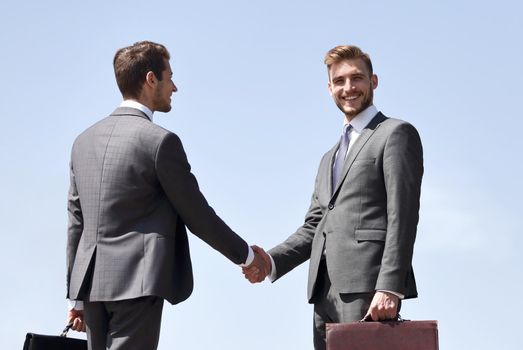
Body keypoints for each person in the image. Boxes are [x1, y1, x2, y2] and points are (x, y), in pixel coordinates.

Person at [66, 40, 267, 350]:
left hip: (91, 284)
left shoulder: (82, 142)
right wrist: (248, 256)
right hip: (138, 281)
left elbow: (76, 224)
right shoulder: (160, 142)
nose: (175, 87)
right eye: (169, 77)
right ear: (151, 80)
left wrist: (75, 295)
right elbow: (197, 215)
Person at [243, 45, 423, 350]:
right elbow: (315, 226)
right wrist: (270, 261)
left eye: (357, 78)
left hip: (368, 289)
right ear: (329, 89)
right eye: (339, 81)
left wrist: (391, 286)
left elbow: (402, 216)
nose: (348, 88)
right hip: (323, 294)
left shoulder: (395, 133)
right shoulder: (329, 157)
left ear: (374, 81)